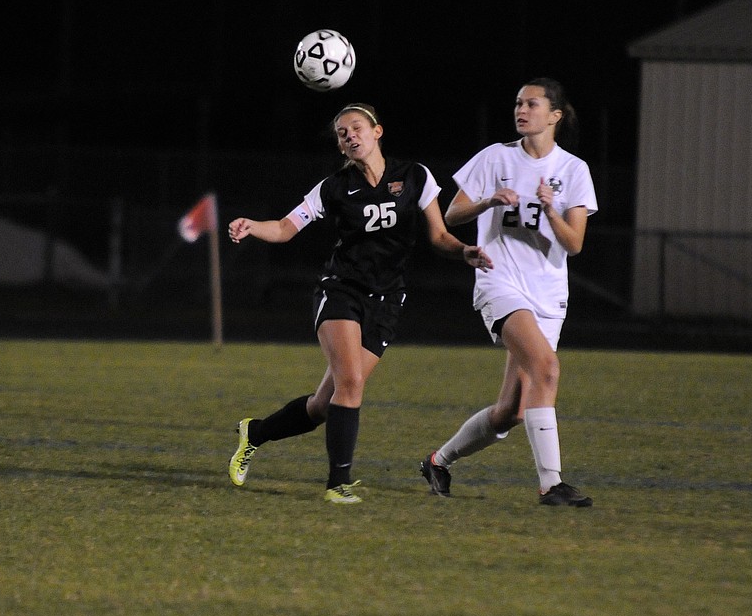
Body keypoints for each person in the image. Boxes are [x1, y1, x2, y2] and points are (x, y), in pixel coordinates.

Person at [227, 103, 493, 504]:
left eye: (356, 128)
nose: (349, 135)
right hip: (341, 291)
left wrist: (464, 252)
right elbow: (284, 228)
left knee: (322, 406)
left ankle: (256, 432)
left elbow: (439, 236)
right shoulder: (333, 187)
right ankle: (338, 484)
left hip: (387, 301)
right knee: (350, 385)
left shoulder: (415, 176)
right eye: (341, 133)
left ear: (377, 132)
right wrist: (252, 227)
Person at [419, 77, 597, 507]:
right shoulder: (494, 157)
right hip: (499, 281)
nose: (521, 110)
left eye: (532, 104)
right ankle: (551, 484)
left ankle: (438, 461)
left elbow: (574, 244)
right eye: (518, 103)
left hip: (549, 294)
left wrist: (550, 209)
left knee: (512, 413)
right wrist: (489, 202)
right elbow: (452, 213)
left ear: (554, 116)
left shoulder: (573, 170)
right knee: (547, 369)